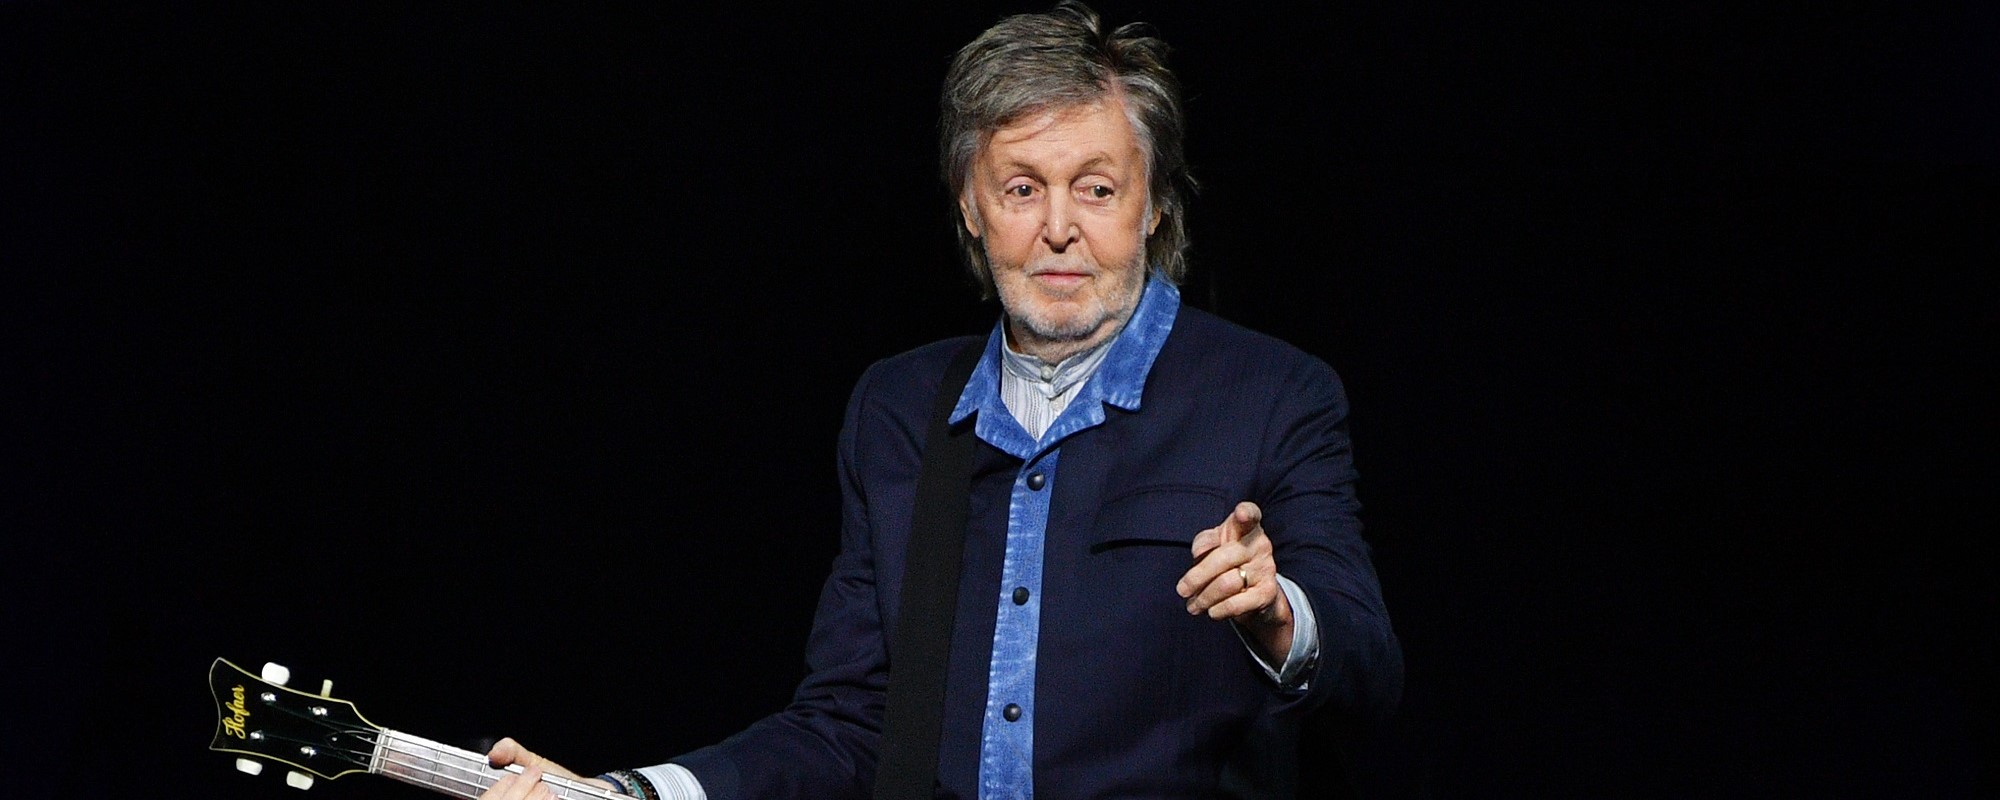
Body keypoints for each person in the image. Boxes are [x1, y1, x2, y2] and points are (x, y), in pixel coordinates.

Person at [479, 3, 1400, 798]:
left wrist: (1279, 616)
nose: (1058, 228)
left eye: (1096, 188)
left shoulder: (1274, 394)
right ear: (970, 206)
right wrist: (633, 791)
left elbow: (1370, 674)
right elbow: (846, 724)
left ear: (1153, 204)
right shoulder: (899, 410)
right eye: (1022, 188)